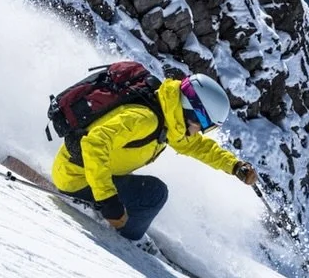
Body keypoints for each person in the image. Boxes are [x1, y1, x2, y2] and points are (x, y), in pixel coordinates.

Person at [51, 72, 258, 240]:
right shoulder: (146, 119)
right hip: (76, 179)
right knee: (154, 194)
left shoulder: (168, 117)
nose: (201, 131)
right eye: (203, 124)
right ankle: (123, 239)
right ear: (193, 112)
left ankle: (115, 218)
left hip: (84, 173)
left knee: (150, 191)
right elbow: (95, 143)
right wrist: (108, 199)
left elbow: (200, 147)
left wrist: (235, 166)